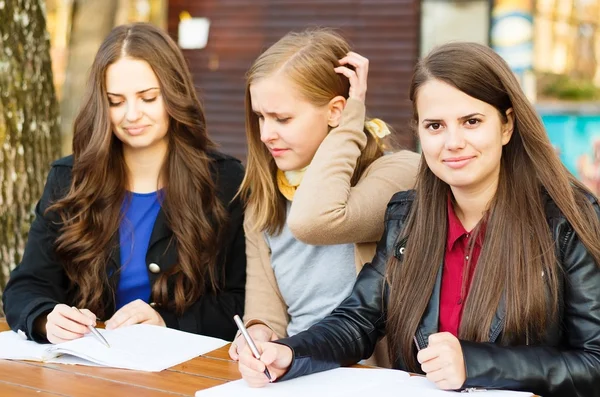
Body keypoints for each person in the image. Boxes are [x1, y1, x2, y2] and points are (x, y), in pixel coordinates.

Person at [236, 42, 600, 397]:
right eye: (435, 126)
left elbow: (594, 363)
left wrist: (476, 363)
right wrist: (292, 353)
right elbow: (357, 320)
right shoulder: (408, 215)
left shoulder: (567, 222)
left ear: (506, 125)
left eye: (471, 121)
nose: (452, 142)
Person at [2, 23, 246, 344]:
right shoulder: (70, 179)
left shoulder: (224, 181)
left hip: (186, 372)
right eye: (115, 101)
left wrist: (166, 320)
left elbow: (243, 301)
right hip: (88, 370)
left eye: (147, 98)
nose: (132, 115)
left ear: (174, 92)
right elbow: (26, 285)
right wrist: (47, 318)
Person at [228, 29, 419, 363]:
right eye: (260, 116)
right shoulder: (265, 199)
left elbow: (315, 219)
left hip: (369, 379)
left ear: (336, 112)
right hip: (295, 372)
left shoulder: (397, 174)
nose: (265, 134)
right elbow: (267, 314)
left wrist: (350, 124)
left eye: (282, 118)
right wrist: (257, 332)